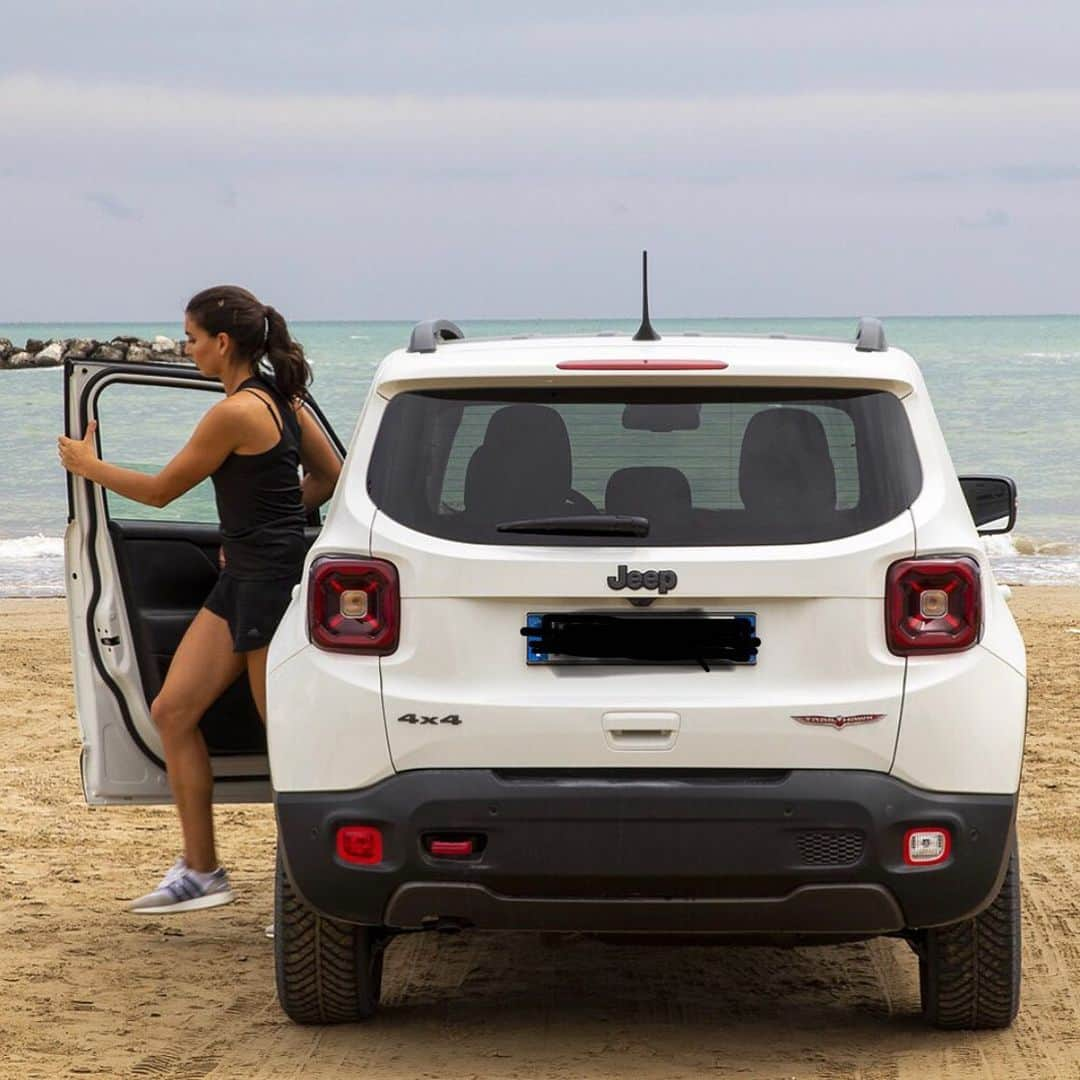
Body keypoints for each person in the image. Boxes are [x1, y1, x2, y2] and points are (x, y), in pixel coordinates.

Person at [58, 286, 341, 913]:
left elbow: (160, 492)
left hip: (267, 586)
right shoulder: (284, 399)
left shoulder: (235, 413)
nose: (185, 349)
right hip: (244, 576)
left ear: (222, 342)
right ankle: (202, 871)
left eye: (190, 338)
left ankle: (310, 898)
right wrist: (266, 525)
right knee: (172, 711)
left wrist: (87, 464)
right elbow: (329, 480)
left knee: (285, 742)